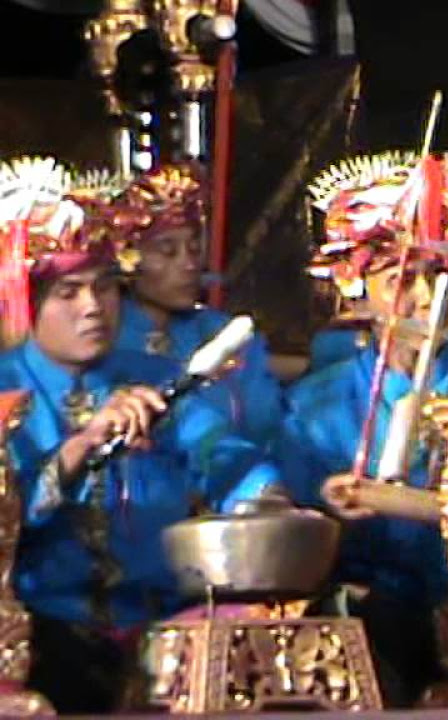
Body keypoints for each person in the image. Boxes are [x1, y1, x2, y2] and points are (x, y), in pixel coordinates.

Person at [0, 158, 280, 714]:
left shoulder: (152, 379)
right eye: (68, 293)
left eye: (105, 289)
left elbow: (224, 456)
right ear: (26, 300)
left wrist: (266, 502)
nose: (92, 309)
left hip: (162, 628)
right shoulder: (7, 389)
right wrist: (80, 446)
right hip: (42, 633)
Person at [281, 151, 448, 707]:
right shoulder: (317, 404)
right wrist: (330, 517)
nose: (426, 300)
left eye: (438, 278)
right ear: (356, 286)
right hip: (379, 614)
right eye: (402, 279)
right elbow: (295, 533)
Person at [111, 163, 284, 446]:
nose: (189, 264)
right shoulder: (106, 342)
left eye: (193, 248)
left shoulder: (221, 331)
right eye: (168, 252)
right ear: (127, 260)